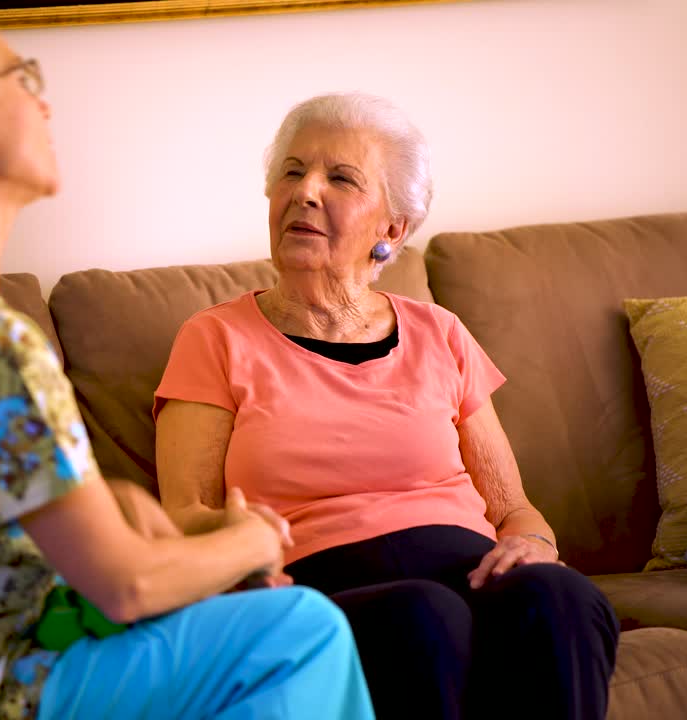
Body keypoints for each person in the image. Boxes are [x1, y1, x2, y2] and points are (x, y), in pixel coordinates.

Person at [0, 13, 374, 720]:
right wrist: (251, 539)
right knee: (303, 628)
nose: (45, 103)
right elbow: (125, 588)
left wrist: (166, 530)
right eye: (24, 79)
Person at [154, 92, 619, 720]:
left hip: (473, 569)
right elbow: (185, 515)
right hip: (323, 586)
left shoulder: (440, 333)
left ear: (392, 230)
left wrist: (534, 544)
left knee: (558, 595)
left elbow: (513, 507)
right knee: (423, 615)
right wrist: (242, 568)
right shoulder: (215, 338)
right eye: (292, 171)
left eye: (340, 178)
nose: (306, 191)